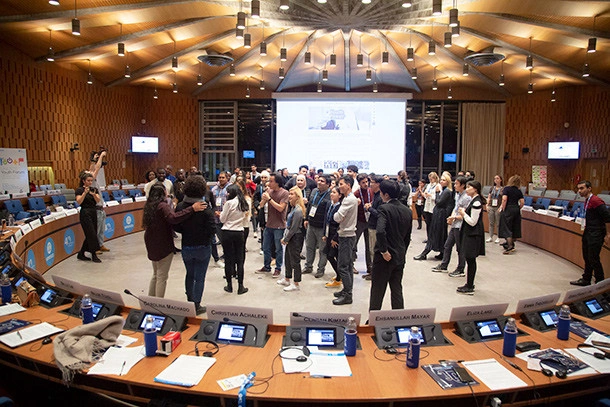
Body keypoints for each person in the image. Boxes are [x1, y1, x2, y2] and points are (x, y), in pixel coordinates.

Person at [143, 184, 205, 297]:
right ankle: (159, 304)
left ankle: (151, 300)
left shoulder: (149, 205)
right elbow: (174, 218)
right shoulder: (163, 206)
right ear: (163, 193)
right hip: (162, 242)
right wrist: (191, 209)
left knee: (156, 274)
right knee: (162, 276)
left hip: (151, 241)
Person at [174, 175, 215, 314]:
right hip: (203, 246)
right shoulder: (205, 208)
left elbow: (176, 225)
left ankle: (189, 300)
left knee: (189, 274)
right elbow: (212, 229)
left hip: (187, 245)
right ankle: (197, 305)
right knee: (200, 277)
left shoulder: (180, 206)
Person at [369, 180, 412, 311]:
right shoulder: (407, 211)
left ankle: (373, 320)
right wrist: (401, 251)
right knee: (397, 288)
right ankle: (399, 319)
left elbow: (380, 231)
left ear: (386, 194)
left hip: (384, 258)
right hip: (399, 255)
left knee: (377, 290)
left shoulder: (384, 208)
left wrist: (384, 250)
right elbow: (407, 237)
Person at [570, 180, 610, 286]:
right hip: (588, 231)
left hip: (597, 233)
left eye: (582, 188)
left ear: (589, 188)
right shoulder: (587, 200)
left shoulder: (596, 201)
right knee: (587, 257)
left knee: (593, 258)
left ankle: (600, 283)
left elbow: (607, 218)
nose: (579, 191)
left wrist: (608, 234)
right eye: (578, 188)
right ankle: (586, 279)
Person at [432, 176, 471, 276]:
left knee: (460, 248)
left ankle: (460, 268)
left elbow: (465, 214)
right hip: (455, 225)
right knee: (447, 245)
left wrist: (454, 218)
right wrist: (452, 217)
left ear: (462, 185)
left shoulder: (466, 197)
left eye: (457, 184)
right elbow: (456, 208)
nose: (455, 185)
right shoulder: (458, 195)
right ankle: (444, 265)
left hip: (461, 226)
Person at [414, 172, 454, 260]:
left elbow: (438, 202)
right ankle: (441, 252)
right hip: (436, 211)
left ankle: (425, 253)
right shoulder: (443, 190)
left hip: (439, 214)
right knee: (439, 233)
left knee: (435, 233)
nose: (442, 181)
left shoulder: (446, 191)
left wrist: (436, 193)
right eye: (442, 179)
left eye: (444, 180)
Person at [256, 172, 290, 277]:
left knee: (278, 249)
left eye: (271, 181)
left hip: (279, 226)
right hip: (268, 224)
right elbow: (260, 206)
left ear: (277, 183)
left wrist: (270, 199)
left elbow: (280, 208)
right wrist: (264, 199)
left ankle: (278, 268)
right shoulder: (269, 191)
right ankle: (266, 266)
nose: (268, 183)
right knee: (265, 247)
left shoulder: (284, 193)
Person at [456, 180, 486, 295]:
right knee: (469, 259)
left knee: (471, 259)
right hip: (469, 233)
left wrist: (463, 213)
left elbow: (473, 221)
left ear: (475, 189)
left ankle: (470, 285)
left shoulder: (477, 203)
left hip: (473, 234)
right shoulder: (473, 200)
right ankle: (469, 283)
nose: (467, 189)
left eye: (469, 187)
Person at [332, 175, 358, 305]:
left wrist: (336, 208)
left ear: (348, 185)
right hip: (347, 234)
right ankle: (347, 290)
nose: (339, 186)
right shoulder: (350, 198)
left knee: (343, 266)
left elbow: (337, 217)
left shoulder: (348, 200)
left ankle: (348, 295)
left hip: (347, 236)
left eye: (341, 184)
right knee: (347, 266)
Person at [219, 184, 249, 294]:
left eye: (228, 192)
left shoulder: (229, 203)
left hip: (227, 232)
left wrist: (221, 212)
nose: (226, 194)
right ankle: (241, 286)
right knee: (239, 260)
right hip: (239, 231)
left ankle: (229, 286)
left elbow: (222, 219)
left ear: (232, 192)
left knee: (228, 259)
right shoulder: (243, 202)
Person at [277, 186, 306, 292]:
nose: (289, 196)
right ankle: (287, 278)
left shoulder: (298, 210)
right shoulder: (293, 208)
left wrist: (286, 238)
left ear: (297, 196)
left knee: (295, 261)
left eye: (292, 194)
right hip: (291, 236)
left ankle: (296, 283)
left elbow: (294, 228)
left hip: (295, 237)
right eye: (289, 194)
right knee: (288, 259)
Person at [303, 174, 331, 278]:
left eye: (322, 181)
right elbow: (310, 206)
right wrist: (306, 219)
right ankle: (308, 266)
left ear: (328, 184)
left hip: (322, 227)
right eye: (319, 180)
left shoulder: (330, 195)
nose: (319, 182)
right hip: (311, 224)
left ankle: (320, 269)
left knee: (322, 250)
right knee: (309, 247)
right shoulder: (314, 191)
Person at [75, 172, 102, 263]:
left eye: (91, 181)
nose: (90, 182)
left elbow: (98, 200)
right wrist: (84, 193)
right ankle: (94, 254)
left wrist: (93, 194)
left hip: (93, 212)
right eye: (88, 181)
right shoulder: (79, 190)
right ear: (83, 181)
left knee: (92, 233)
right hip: (85, 212)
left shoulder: (94, 189)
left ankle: (81, 253)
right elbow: (79, 202)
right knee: (91, 233)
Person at [362, 174, 384, 280]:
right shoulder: (375, 195)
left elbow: (379, 214)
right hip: (371, 225)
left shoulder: (380, 197)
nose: (370, 184)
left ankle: (375, 274)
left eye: (372, 182)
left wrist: (369, 208)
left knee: (373, 251)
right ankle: (373, 272)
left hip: (375, 227)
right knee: (371, 250)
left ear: (378, 184)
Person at [88, 150, 110, 254]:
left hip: (101, 209)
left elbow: (93, 168)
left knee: (101, 230)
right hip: (96, 209)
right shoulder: (90, 182)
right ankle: (94, 247)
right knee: (96, 230)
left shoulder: (95, 182)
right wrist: (101, 156)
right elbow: (95, 169)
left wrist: (94, 160)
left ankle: (100, 244)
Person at [498, 175, 524, 254]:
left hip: (508, 209)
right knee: (514, 227)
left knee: (506, 227)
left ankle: (510, 246)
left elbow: (504, 199)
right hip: (516, 209)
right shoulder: (518, 190)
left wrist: (503, 208)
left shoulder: (507, 189)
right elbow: (522, 202)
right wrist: (518, 208)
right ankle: (510, 243)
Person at [323, 186, 343, 288]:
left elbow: (340, 225)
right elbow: (326, 220)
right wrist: (324, 234)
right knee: (328, 255)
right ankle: (339, 275)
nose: (331, 194)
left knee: (333, 256)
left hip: (336, 235)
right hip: (329, 233)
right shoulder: (329, 204)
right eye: (331, 192)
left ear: (339, 195)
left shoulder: (340, 207)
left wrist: (335, 238)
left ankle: (340, 277)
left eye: (334, 192)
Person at [353, 173, 373, 274]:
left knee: (369, 246)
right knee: (353, 243)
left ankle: (370, 267)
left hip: (369, 222)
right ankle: (351, 265)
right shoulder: (356, 194)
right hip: (359, 221)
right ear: (359, 183)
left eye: (367, 182)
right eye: (363, 183)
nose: (366, 184)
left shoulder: (371, 191)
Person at [486, 175, 503, 243]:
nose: (496, 180)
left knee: (498, 223)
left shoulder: (503, 189)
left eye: (497, 178)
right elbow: (489, 197)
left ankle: (498, 237)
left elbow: (503, 199)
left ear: (501, 180)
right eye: (495, 178)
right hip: (491, 206)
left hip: (498, 207)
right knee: (491, 223)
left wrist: (501, 207)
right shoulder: (492, 188)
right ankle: (490, 236)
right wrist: (487, 205)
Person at [422, 172, 439, 242]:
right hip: (427, 207)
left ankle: (433, 238)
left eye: (432, 179)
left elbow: (438, 197)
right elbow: (425, 193)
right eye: (429, 179)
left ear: (435, 179)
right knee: (428, 223)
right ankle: (429, 238)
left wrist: (430, 196)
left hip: (433, 206)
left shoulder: (438, 186)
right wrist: (425, 195)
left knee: (433, 224)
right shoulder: (428, 185)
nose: (430, 180)